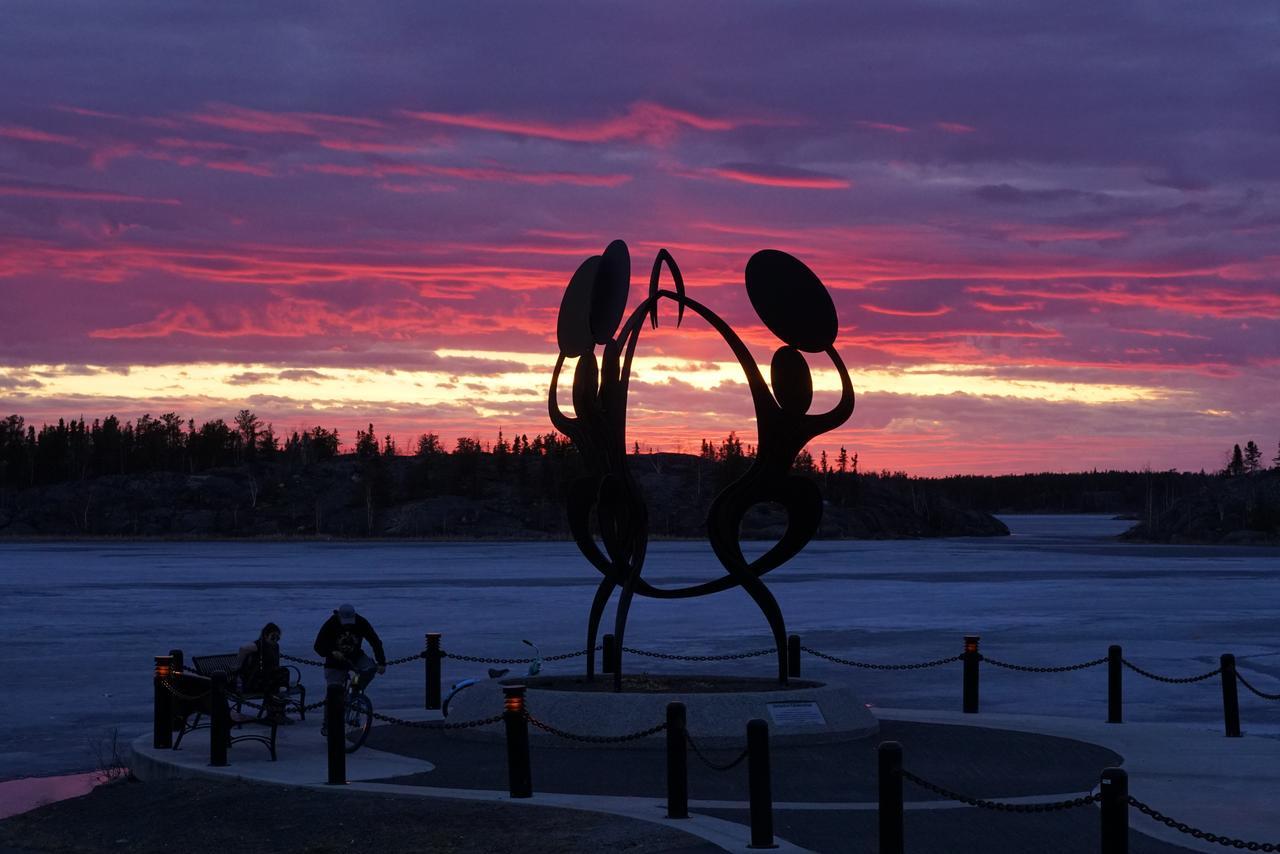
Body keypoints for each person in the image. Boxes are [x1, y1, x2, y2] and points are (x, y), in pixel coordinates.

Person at [313, 604, 386, 695]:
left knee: (369, 670)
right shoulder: (331, 623)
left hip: (356, 657)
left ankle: (354, 690)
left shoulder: (361, 622)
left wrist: (381, 662)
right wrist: (332, 652)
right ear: (339, 616)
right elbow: (318, 646)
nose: (347, 624)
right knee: (334, 690)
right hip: (334, 661)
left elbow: (375, 642)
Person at [237, 622, 292, 723]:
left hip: (268, 680)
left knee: (280, 680)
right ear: (265, 635)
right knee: (279, 681)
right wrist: (238, 666)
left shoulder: (275, 646)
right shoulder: (258, 645)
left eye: (277, 638)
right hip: (256, 681)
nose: (275, 640)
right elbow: (243, 649)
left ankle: (277, 713)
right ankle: (276, 713)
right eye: (273, 637)